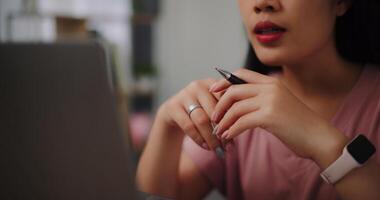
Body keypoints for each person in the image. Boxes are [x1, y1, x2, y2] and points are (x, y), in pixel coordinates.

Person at [136, 0, 380, 199]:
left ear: (341, 3)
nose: (263, 4)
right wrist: (166, 123)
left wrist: (322, 142)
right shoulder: (234, 105)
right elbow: (167, 194)